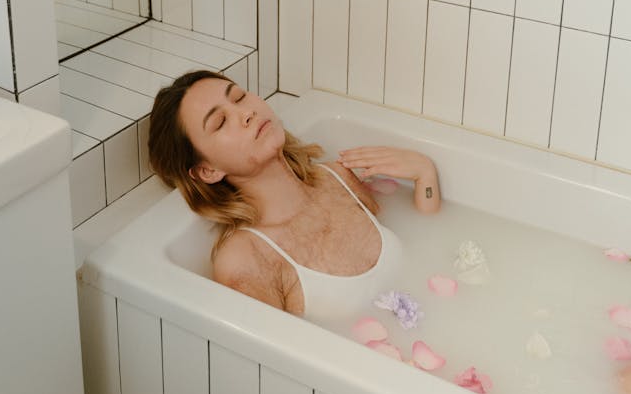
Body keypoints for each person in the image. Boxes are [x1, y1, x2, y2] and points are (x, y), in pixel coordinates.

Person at [148, 69, 441, 322]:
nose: (246, 113)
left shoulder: (338, 179)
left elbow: (429, 242)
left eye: (238, 97)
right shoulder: (246, 260)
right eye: (220, 122)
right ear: (207, 170)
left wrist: (424, 173)